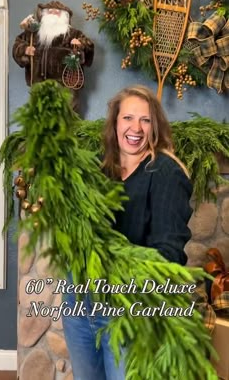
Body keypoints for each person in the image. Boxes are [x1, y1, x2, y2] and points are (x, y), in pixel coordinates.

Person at [62, 85, 193, 379]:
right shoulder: (98, 168)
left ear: (155, 126)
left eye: (145, 120)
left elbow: (169, 253)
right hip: (80, 302)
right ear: (115, 123)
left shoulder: (165, 173)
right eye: (128, 118)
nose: (136, 128)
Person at [12, 0, 94, 110]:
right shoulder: (33, 34)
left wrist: (81, 44)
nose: (53, 14)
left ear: (65, 16)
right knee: (40, 117)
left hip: (66, 85)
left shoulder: (74, 34)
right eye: (50, 12)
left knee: (68, 117)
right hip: (40, 84)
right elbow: (17, 45)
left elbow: (89, 46)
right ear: (44, 14)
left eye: (57, 12)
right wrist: (25, 50)